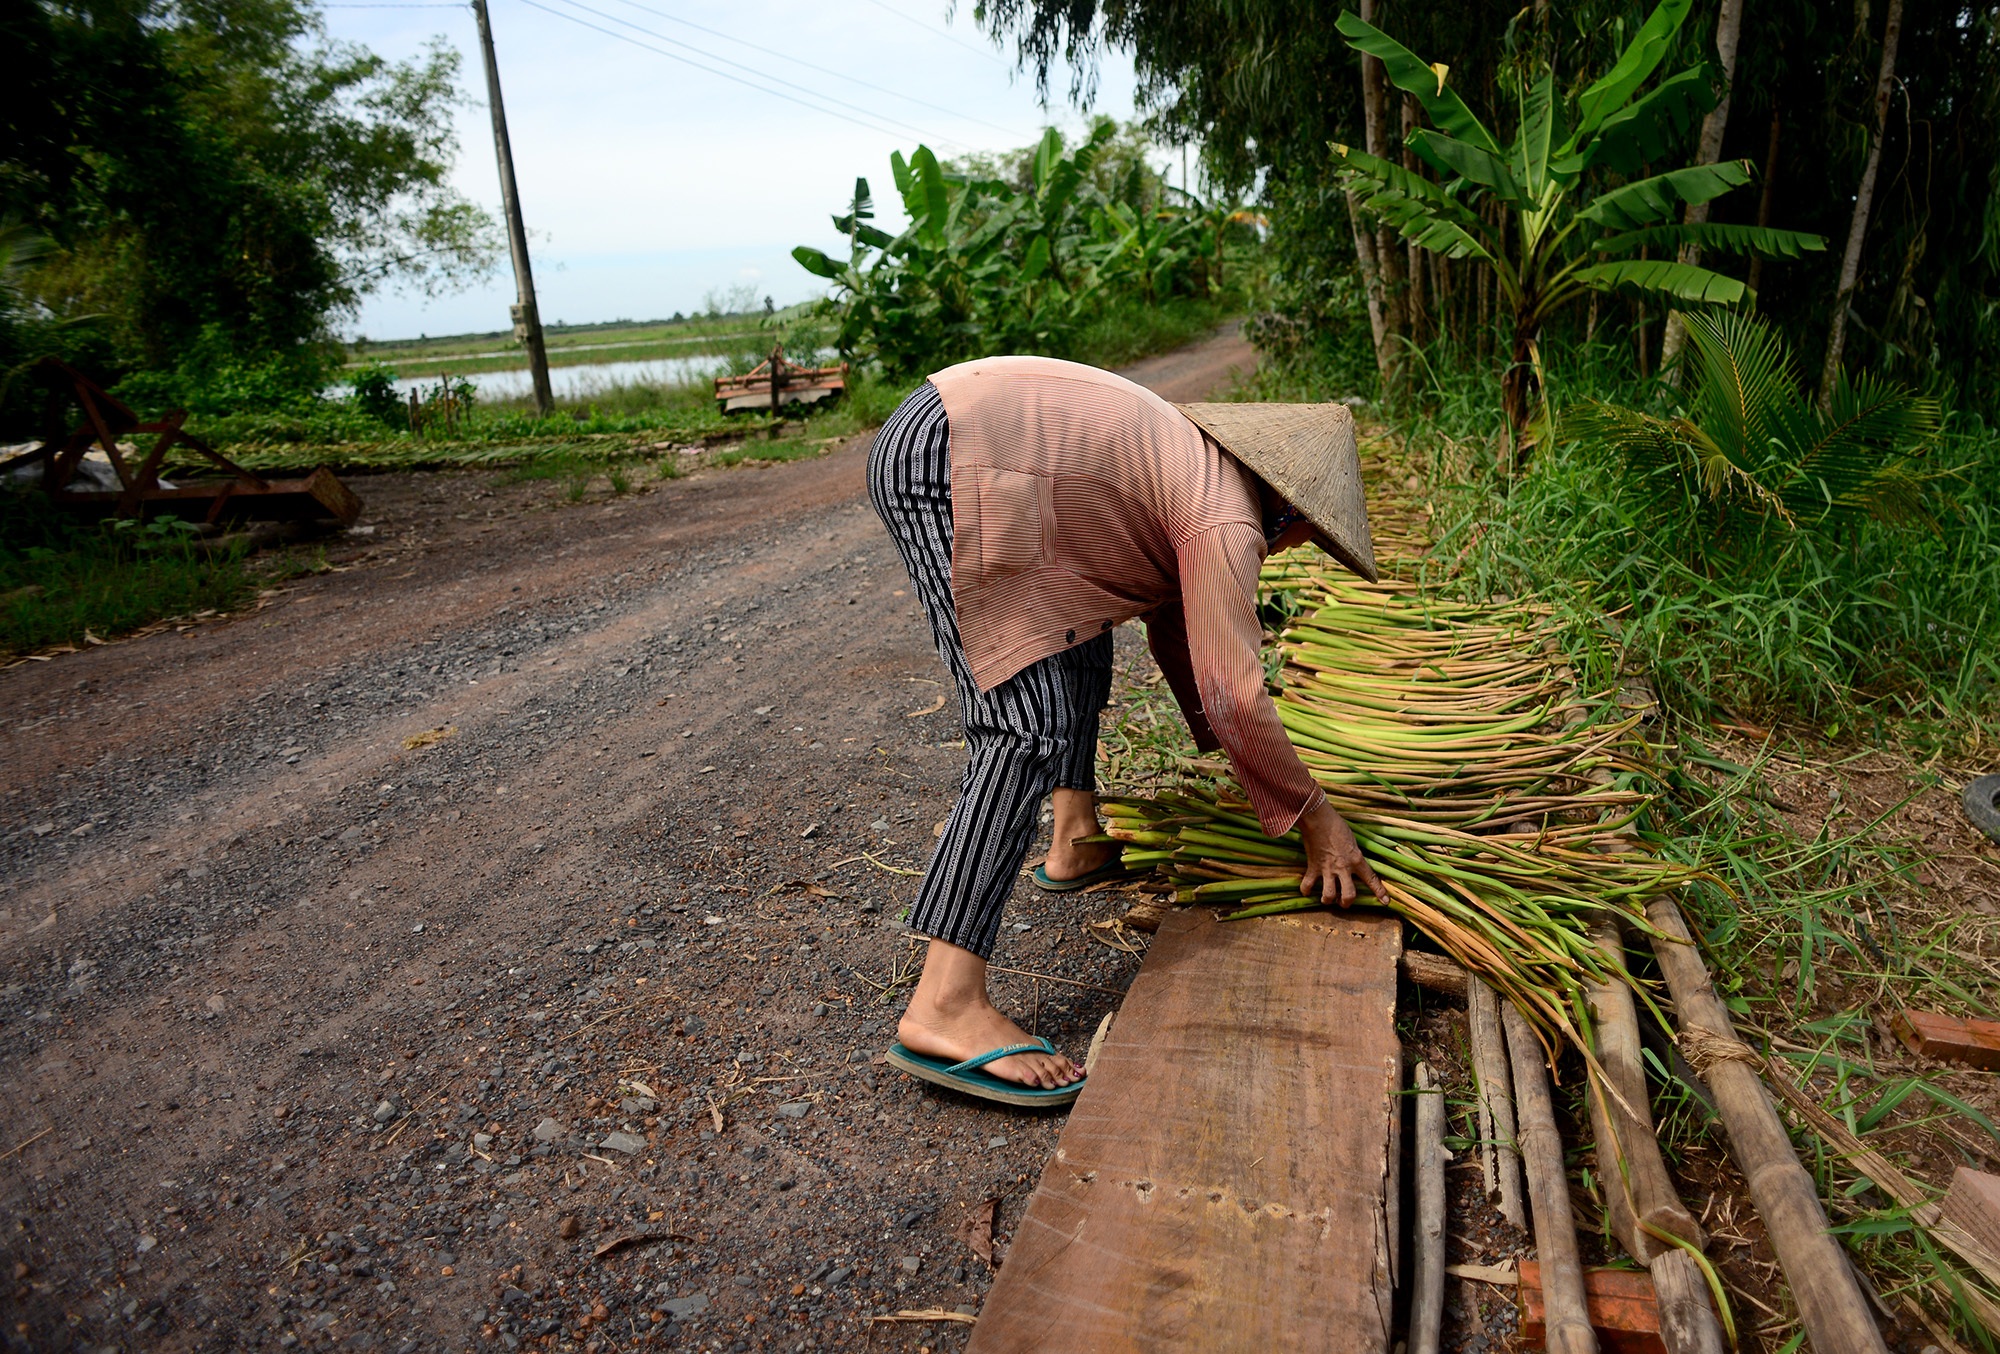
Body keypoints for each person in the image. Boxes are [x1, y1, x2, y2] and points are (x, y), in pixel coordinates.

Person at [869, 355, 1384, 1107]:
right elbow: (1231, 691)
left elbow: (1181, 638)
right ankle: (944, 1002)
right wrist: (1315, 818)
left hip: (956, 432)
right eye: (1309, 538)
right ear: (1293, 510)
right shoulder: (1225, 514)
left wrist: (1236, 759)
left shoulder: (1193, 473)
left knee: (1078, 639)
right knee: (1023, 729)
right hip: (951, 453)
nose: (1296, 548)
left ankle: (1074, 839)